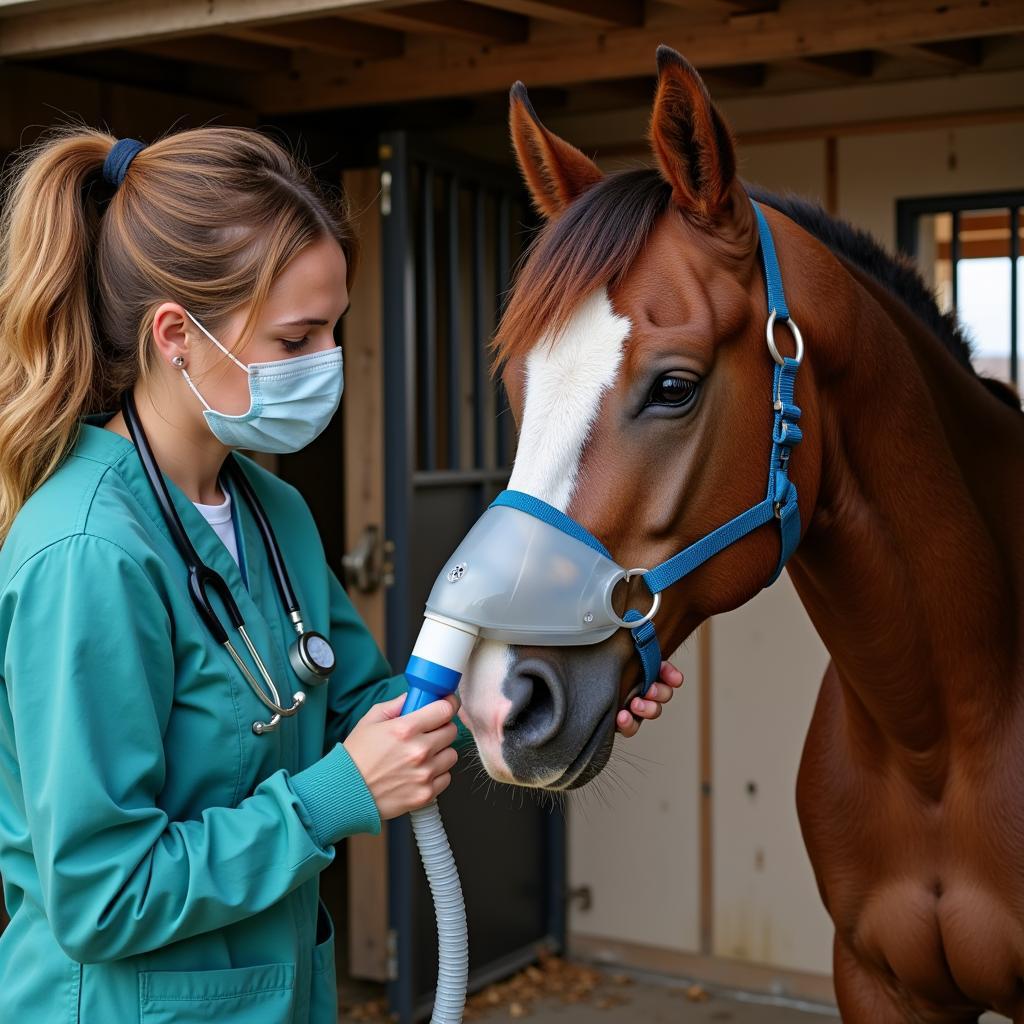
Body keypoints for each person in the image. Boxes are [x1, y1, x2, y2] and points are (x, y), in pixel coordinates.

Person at [0, 125, 682, 1023]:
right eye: (295, 339)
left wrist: (532, 692)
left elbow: (368, 707)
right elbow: (101, 896)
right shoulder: (89, 553)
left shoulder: (269, 511)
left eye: (334, 330)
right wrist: (329, 802)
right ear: (176, 334)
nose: (326, 365)